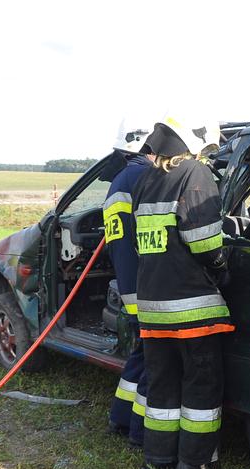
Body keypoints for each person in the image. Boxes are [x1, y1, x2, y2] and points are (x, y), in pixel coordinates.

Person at [131, 114, 231, 469]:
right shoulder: (194, 173)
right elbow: (203, 240)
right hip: (192, 310)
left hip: (153, 308)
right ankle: (192, 466)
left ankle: (157, 458)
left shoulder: (146, 180)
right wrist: (221, 265)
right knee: (200, 389)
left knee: (162, 388)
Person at [104, 118, 155, 447]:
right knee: (156, 361)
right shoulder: (145, 177)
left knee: (143, 352)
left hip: (129, 285)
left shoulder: (120, 181)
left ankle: (120, 415)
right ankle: (141, 429)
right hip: (148, 285)